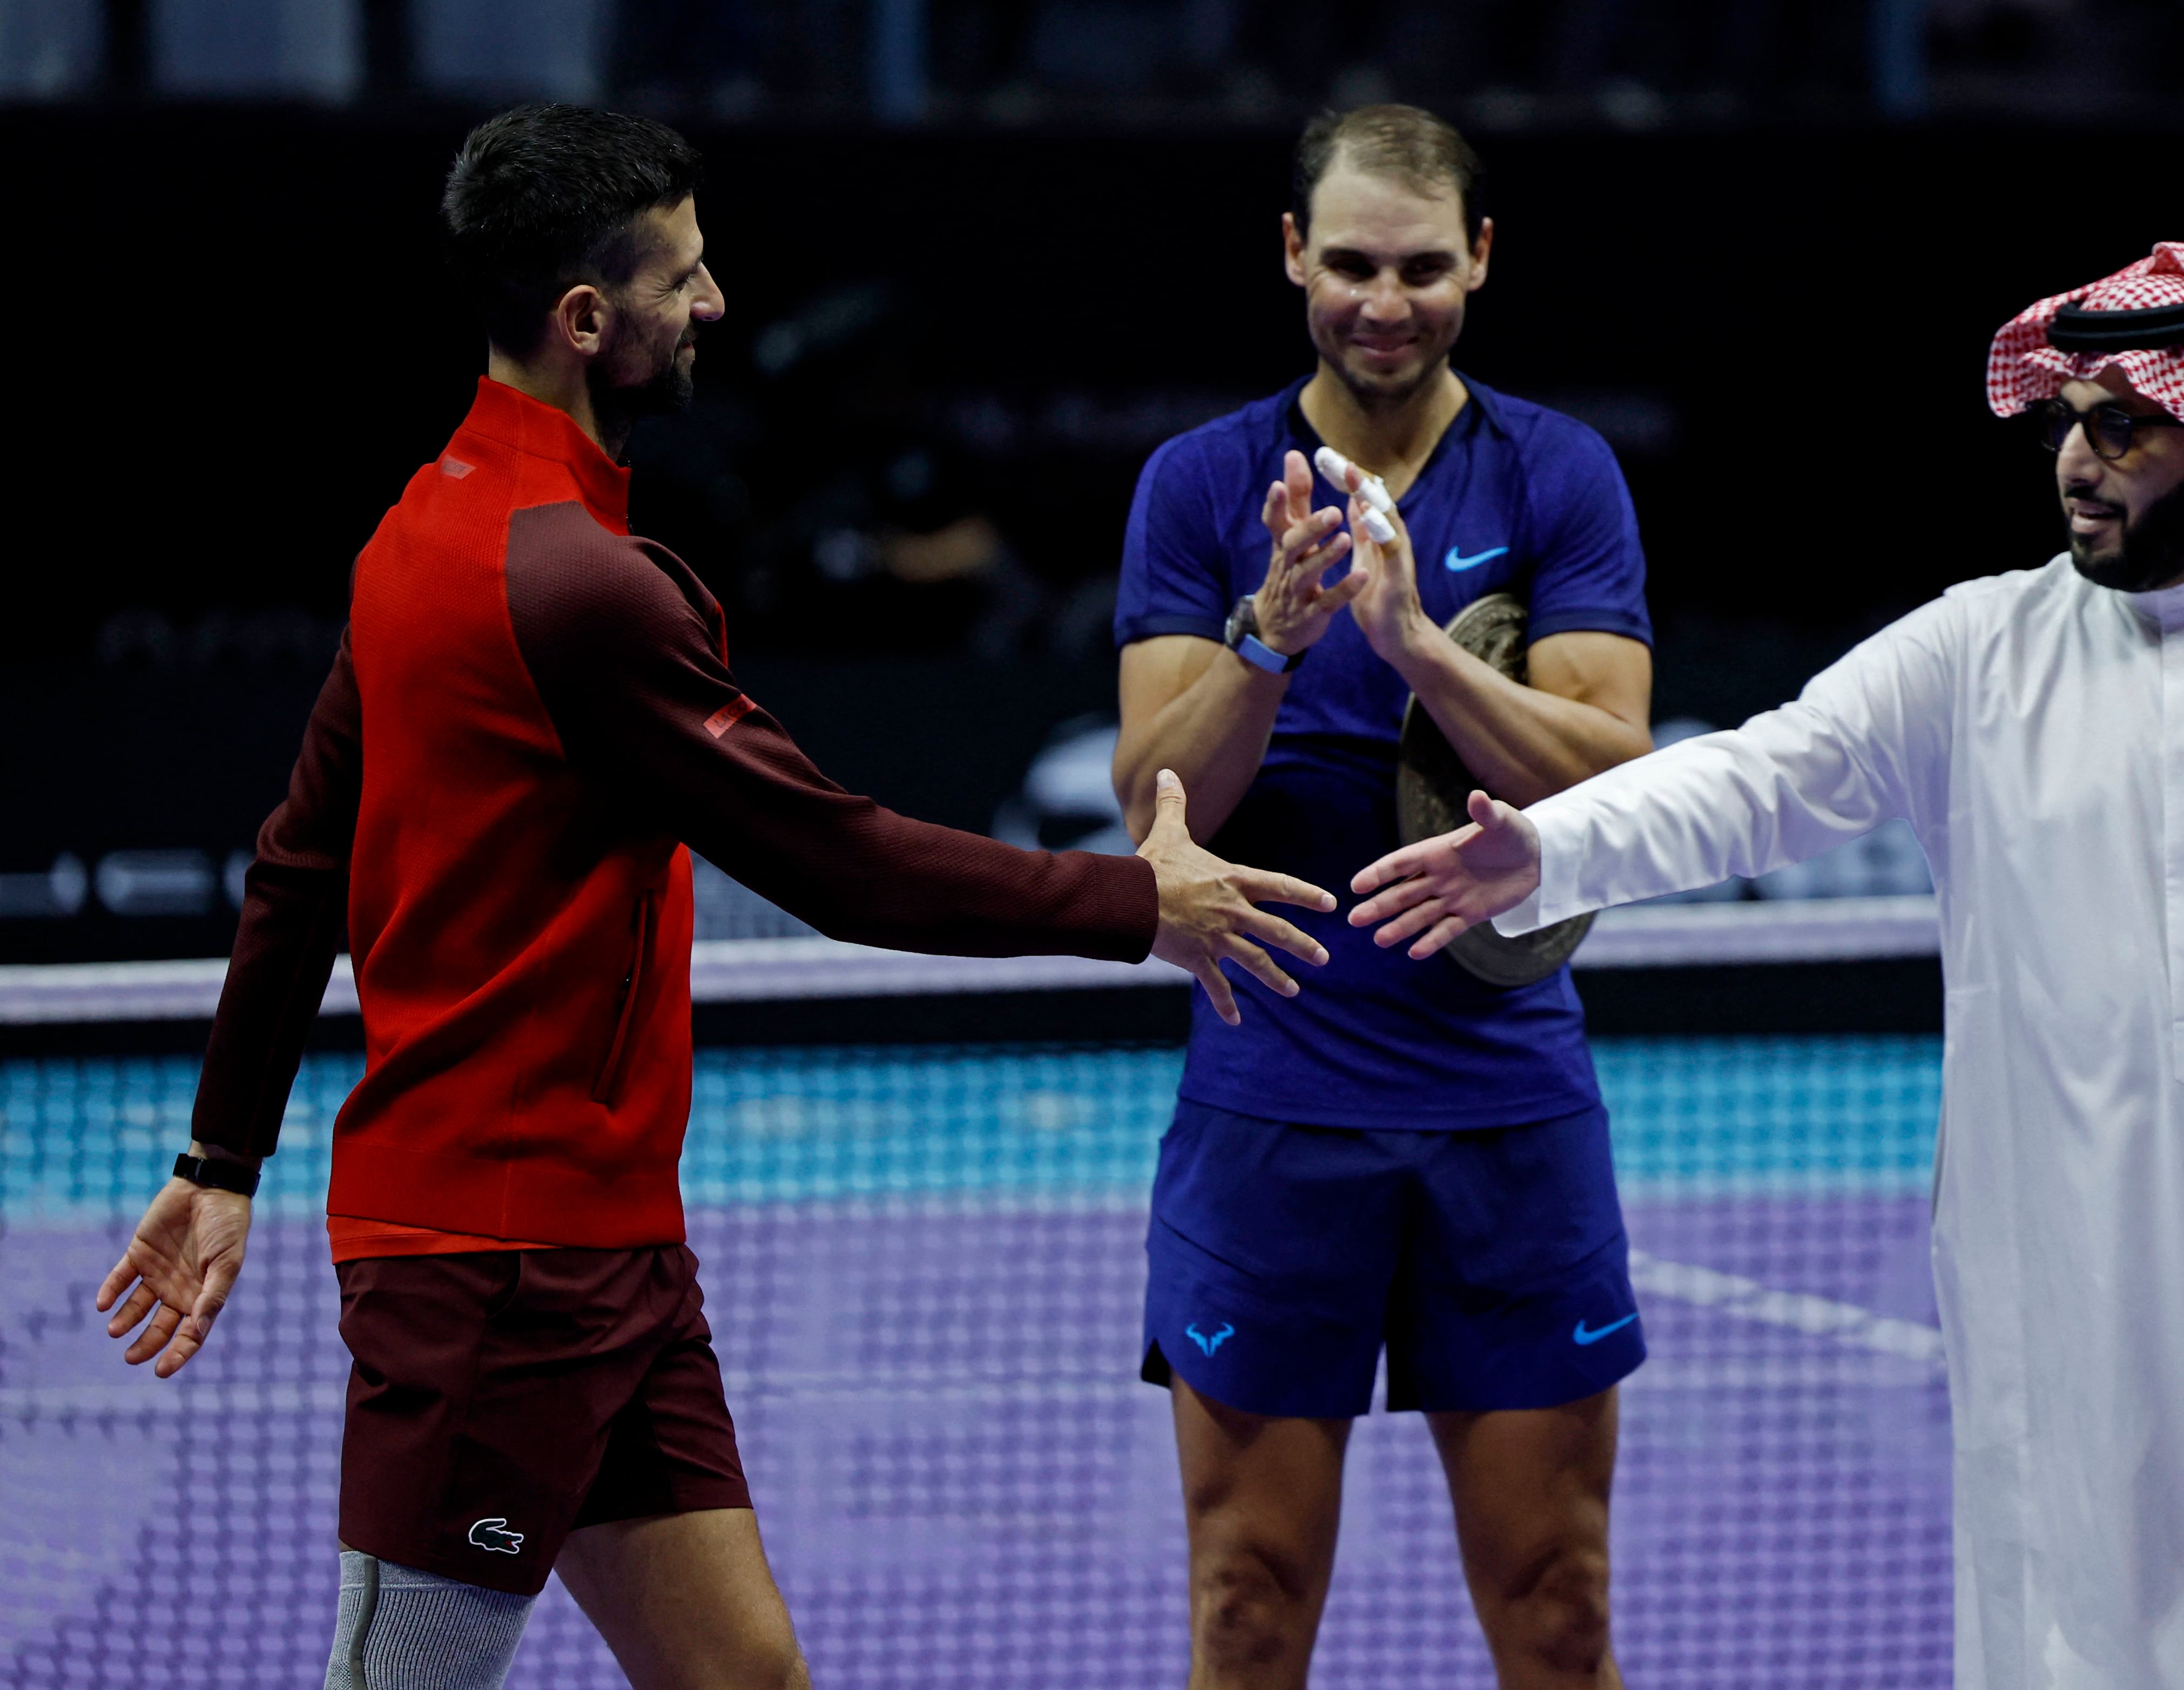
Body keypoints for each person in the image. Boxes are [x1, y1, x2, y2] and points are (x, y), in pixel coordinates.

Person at [92, 103, 1334, 1690]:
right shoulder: (575, 584)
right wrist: (1132, 903)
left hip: (610, 1255)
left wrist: (220, 1153)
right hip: (497, 1269)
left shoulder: (424, 532)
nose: (717, 305)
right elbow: (838, 857)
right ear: (586, 320)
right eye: (683, 278)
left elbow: (296, 866)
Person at [1347, 241, 2184, 1689]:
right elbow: (1761, 775)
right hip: (2079, 1293)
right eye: (2067, 422)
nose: (2078, 463)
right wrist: (1550, 851)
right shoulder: (1981, 651)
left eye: (2126, 425)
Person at [1108, 104, 1655, 1690]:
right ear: (1293, 256)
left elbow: (1610, 779)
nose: (1383, 301)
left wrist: (1413, 641)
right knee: (1249, 1605)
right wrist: (1270, 642)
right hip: (1275, 1099)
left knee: (1559, 1603)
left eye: (1421, 266)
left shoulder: (1559, 475)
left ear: (1480, 259)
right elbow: (1162, 810)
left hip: (1507, 1099)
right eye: (1349, 263)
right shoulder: (1203, 484)